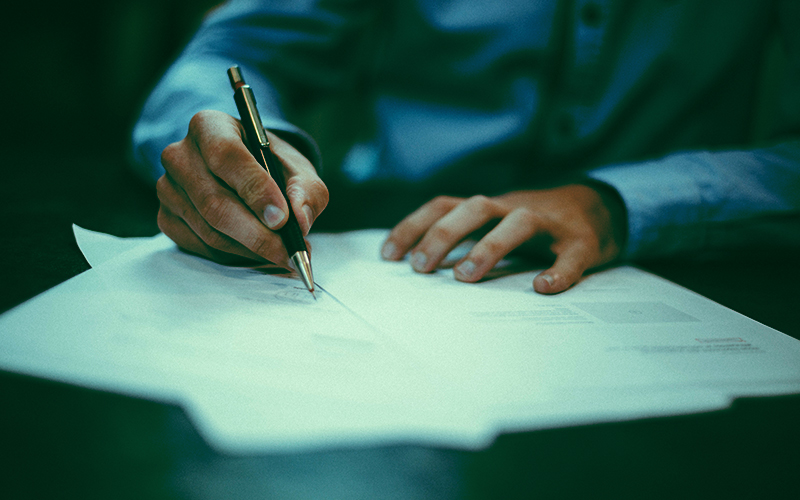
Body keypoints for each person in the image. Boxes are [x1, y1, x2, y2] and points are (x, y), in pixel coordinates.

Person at [132, 0, 800, 294]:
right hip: (388, 241)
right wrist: (237, 148)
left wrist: (617, 205)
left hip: (682, 272)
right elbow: (230, 51)